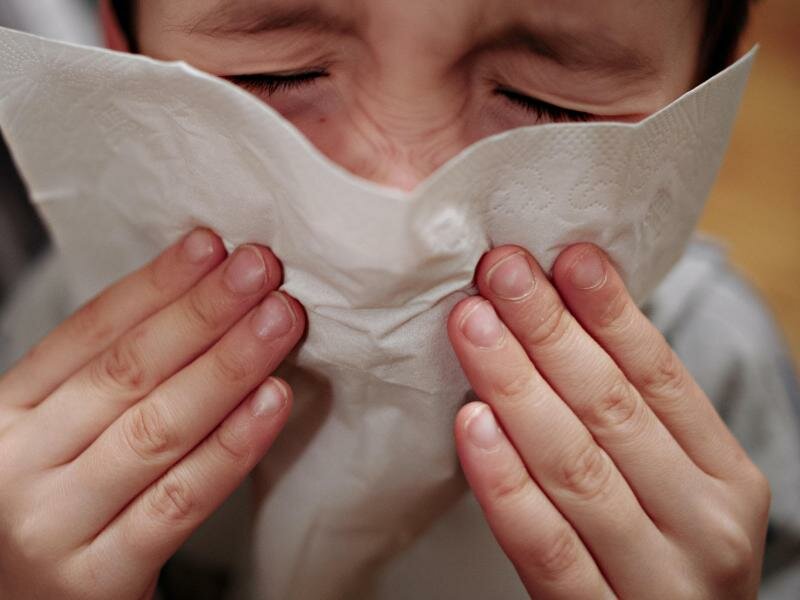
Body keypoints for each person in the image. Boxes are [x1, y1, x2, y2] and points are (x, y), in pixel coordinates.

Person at [0, 1, 798, 598]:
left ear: (699, 114)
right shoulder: (63, 356)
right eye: (277, 77)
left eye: (548, 106)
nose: (402, 201)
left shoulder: (716, 368)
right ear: (121, 60)